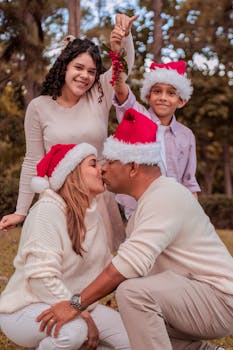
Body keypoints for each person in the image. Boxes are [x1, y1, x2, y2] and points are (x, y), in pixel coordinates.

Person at [37, 109, 233, 350]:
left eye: (110, 161)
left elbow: (128, 265)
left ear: (132, 167)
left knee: (133, 294)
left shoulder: (166, 196)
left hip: (221, 301)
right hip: (197, 296)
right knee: (136, 322)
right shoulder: (148, 203)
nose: (103, 169)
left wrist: (74, 304)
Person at [0, 13, 138, 250]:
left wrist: (124, 39)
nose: (85, 76)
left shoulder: (99, 94)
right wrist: (21, 211)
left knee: (95, 269)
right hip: (58, 201)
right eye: (79, 67)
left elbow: (123, 71)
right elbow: (33, 159)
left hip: (97, 199)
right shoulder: (38, 107)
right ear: (64, 66)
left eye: (92, 71)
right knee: (58, 264)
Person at [0, 143, 131, 350]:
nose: (102, 169)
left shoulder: (93, 215)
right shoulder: (47, 211)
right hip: (26, 307)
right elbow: (41, 278)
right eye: (93, 164)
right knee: (74, 331)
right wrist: (81, 313)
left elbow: (107, 268)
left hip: (76, 305)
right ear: (71, 173)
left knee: (133, 338)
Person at [112, 60, 201, 218]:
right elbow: (121, 93)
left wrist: (195, 216)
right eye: (157, 91)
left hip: (174, 207)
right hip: (139, 207)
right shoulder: (137, 117)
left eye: (171, 93)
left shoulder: (186, 135)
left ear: (181, 101)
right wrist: (118, 58)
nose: (163, 97)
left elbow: (189, 181)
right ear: (148, 95)